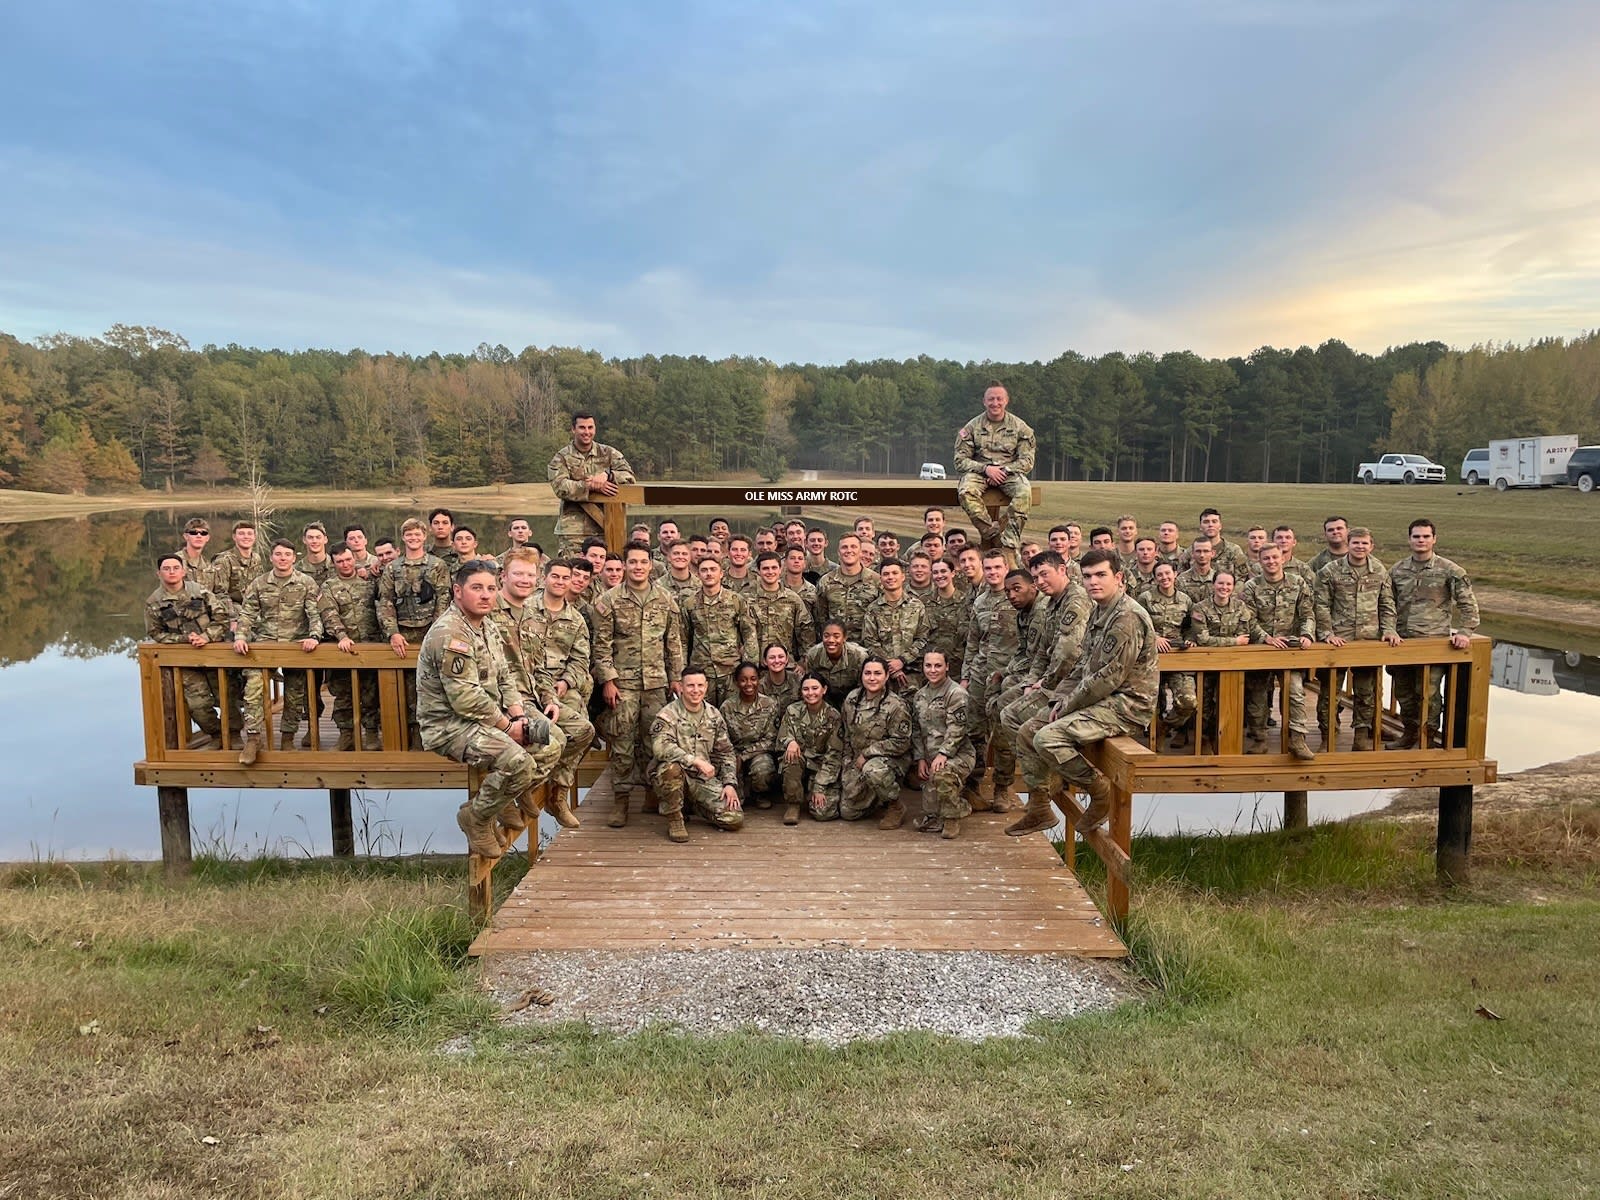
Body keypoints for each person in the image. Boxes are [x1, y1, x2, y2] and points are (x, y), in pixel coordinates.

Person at [416, 560, 563, 859]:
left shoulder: (487, 626)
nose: (486, 595)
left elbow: (506, 676)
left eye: (491, 589)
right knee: (517, 761)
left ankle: (506, 795)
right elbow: (465, 699)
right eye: (476, 588)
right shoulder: (450, 634)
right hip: (450, 726)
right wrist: (508, 728)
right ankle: (477, 817)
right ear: (458, 592)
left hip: (486, 718)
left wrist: (518, 715)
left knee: (551, 744)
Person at [1010, 548, 1159, 835]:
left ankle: (1099, 791)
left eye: (1101, 575)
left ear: (1118, 578)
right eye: (1088, 576)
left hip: (1126, 704)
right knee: (1029, 729)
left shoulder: (1126, 617)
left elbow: (1106, 679)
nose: (1093, 582)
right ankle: (1040, 809)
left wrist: (1066, 707)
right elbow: (1082, 666)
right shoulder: (1101, 610)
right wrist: (1057, 699)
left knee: (1048, 738)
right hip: (1099, 699)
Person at [490, 548, 592, 827]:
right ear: (545, 579)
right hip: (505, 699)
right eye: (554, 576)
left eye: (528, 575)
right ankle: (517, 789)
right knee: (553, 739)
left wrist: (557, 690)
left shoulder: (569, 619)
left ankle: (557, 794)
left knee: (583, 731)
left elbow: (567, 662)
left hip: (543, 690)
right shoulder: (503, 610)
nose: (560, 582)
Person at [592, 542, 685, 827]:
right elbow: (601, 645)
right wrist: (608, 680)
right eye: (632, 562)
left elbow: (673, 642)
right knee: (622, 743)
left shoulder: (666, 599)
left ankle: (651, 794)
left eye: (643, 562)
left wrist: (676, 677)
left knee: (654, 740)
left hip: (657, 683)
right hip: (624, 683)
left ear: (651, 565)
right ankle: (620, 800)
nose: (638, 567)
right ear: (625, 566)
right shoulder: (609, 600)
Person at [1387, 519, 1480, 749]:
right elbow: (1385, 603)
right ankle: (1409, 734)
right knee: (1404, 692)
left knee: (1428, 694)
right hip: (1401, 642)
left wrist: (1465, 632)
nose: (1421, 540)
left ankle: (1427, 738)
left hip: (1432, 643)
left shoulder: (1450, 570)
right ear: (1409, 539)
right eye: (1416, 536)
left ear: (1434, 539)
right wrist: (1387, 629)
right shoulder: (1397, 570)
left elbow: (1468, 605)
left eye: (1426, 536)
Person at [233, 539, 323, 763]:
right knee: (253, 686)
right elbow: (247, 614)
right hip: (266, 643)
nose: (283, 558)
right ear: (271, 557)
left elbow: (314, 614)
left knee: (295, 693)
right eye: (278, 554)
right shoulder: (259, 583)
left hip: (297, 644)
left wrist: (314, 637)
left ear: (294, 558)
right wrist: (241, 636)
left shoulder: (306, 582)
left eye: (287, 554)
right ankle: (253, 739)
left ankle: (288, 738)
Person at [1314, 526, 1399, 751]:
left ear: (1371, 545)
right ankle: (1328, 736)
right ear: (1348, 544)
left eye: (1364, 543)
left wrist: (1389, 629)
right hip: (1338, 640)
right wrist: (1326, 633)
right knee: (1329, 692)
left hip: (1368, 640)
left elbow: (1387, 603)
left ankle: (1361, 736)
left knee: (1366, 693)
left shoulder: (1380, 571)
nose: (1360, 547)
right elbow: (1321, 605)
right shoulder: (1330, 571)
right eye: (1355, 543)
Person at [376, 517, 452, 748]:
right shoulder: (393, 568)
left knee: (433, 686)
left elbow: (444, 598)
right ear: (403, 538)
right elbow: (385, 601)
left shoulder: (437, 565)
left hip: (430, 633)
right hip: (404, 636)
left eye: (417, 534)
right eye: (409, 535)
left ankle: (435, 736)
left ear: (424, 536)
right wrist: (393, 633)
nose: (413, 538)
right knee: (406, 688)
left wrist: (436, 631)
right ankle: (410, 737)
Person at [1239, 544, 1317, 760]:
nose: (1271, 561)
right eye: (1266, 558)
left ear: (1283, 558)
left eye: (1275, 557)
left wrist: (1307, 635)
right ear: (1260, 561)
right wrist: (1266, 638)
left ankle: (1297, 738)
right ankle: (1259, 738)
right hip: (1262, 648)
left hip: (1289, 650)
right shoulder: (1251, 587)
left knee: (1295, 691)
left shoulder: (1298, 583)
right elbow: (1248, 619)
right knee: (1257, 695)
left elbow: (1307, 613)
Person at [647, 668, 742, 842]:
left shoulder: (714, 715)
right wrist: (694, 761)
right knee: (670, 769)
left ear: (706, 687)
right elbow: (661, 748)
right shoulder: (667, 715)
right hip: (675, 774)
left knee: (733, 818)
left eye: (700, 685)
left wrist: (729, 783)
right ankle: (675, 817)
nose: (695, 690)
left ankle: (694, 805)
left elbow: (726, 752)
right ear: (681, 687)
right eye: (690, 685)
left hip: (701, 779)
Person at [145, 552, 230, 747]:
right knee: (198, 705)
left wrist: (206, 637)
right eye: (166, 569)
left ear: (183, 571)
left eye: (175, 568)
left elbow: (222, 617)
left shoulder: (200, 591)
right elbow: (156, 634)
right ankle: (217, 736)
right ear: (159, 573)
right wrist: (183, 640)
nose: (171, 572)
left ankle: (233, 736)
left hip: (214, 654)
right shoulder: (154, 602)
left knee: (227, 696)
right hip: (185, 660)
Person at [959, 550, 1021, 811]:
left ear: (1006, 568)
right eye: (989, 568)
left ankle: (1002, 788)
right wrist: (965, 675)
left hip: (1008, 677)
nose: (993, 572)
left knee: (1004, 736)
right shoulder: (980, 601)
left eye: (998, 567)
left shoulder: (1019, 599)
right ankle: (972, 784)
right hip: (979, 675)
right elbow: (972, 641)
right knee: (974, 732)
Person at [954, 381, 1035, 553]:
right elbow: (960, 460)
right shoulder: (971, 427)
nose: (995, 403)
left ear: (1006, 401)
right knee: (965, 491)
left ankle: (1009, 543)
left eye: (999, 399)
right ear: (984, 401)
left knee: (1025, 492)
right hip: (980, 472)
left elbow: (1027, 461)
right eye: (991, 399)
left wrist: (1004, 470)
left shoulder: (1021, 428)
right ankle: (991, 534)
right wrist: (986, 469)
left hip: (1009, 472)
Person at [318, 541, 383, 751]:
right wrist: (341, 636)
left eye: (347, 559)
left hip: (371, 646)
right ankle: (347, 735)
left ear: (354, 558)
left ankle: (372, 734)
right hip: (344, 648)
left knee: (371, 694)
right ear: (333, 563)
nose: (345, 564)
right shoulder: (329, 586)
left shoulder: (369, 582)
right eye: (339, 561)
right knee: (343, 696)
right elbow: (329, 614)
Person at [836, 657, 913, 827]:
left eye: (877, 673)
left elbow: (901, 743)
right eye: (868, 673)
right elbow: (846, 734)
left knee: (873, 771)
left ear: (886, 677)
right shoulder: (852, 699)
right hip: (857, 759)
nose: (872, 678)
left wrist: (868, 753)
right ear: (861, 676)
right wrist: (847, 763)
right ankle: (876, 797)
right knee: (848, 812)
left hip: (890, 759)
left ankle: (894, 805)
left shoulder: (896, 706)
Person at [547, 412, 637, 555]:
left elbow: (629, 477)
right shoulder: (562, 457)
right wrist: (589, 485)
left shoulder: (608, 453)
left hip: (607, 527)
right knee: (573, 572)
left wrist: (608, 475)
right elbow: (560, 486)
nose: (587, 432)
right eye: (582, 428)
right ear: (573, 429)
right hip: (573, 531)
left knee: (608, 570)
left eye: (590, 427)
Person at [910, 648, 975, 839]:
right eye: (928, 665)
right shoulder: (919, 696)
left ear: (947, 667)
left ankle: (953, 818)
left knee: (943, 775)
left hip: (958, 755)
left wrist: (944, 754)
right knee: (930, 811)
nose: (932, 670)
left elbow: (958, 729)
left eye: (938, 665)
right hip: (931, 756)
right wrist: (920, 758)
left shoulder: (956, 693)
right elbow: (916, 731)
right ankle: (948, 809)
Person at [681, 555, 758, 707]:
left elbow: (749, 635)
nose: (708, 573)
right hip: (701, 673)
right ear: (698, 574)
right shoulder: (689, 603)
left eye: (713, 569)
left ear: (721, 573)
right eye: (704, 570)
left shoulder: (736, 600)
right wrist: (683, 671)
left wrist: (749, 668)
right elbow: (683, 639)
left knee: (732, 715)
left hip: (731, 671)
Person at [1138, 561, 1196, 748]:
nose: (1164, 577)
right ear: (1155, 578)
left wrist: (1189, 639)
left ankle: (1166, 726)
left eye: (1167, 573)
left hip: (1177, 658)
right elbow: (1137, 625)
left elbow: (1190, 628)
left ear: (1175, 574)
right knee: (1152, 705)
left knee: (1188, 701)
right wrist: (1154, 638)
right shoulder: (1145, 598)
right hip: (1151, 659)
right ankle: (1154, 744)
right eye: (1160, 575)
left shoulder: (1186, 600)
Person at [779, 674, 843, 824]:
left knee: (823, 813)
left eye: (815, 688)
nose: (810, 693)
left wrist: (820, 786)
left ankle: (812, 791)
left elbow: (834, 755)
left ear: (824, 690)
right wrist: (790, 741)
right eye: (806, 689)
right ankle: (793, 804)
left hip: (821, 767)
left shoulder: (833, 716)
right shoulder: (793, 710)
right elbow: (783, 735)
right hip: (800, 763)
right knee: (790, 757)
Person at [861, 560, 930, 692]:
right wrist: (890, 666)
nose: (890, 577)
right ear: (880, 578)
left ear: (903, 576)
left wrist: (902, 660)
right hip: (881, 675)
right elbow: (870, 641)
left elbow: (923, 639)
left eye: (894, 573)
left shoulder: (917, 606)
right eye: (886, 574)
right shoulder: (873, 609)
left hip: (912, 672)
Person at [721, 662, 782, 808]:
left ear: (759, 680)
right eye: (743, 680)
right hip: (733, 752)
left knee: (764, 770)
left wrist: (744, 756)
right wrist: (734, 757)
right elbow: (723, 739)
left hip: (758, 752)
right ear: (736, 682)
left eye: (753, 679)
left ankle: (759, 794)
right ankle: (740, 790)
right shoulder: (727, 707)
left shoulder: (770, 704)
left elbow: (771, 739)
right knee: (735, 803)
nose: (749, 683)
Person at [747, 550, 815, 663]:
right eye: (765, 568)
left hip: (786, 664)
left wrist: (804, 662)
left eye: (774, 568)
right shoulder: (747, 599)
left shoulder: (792, 599)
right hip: (756, 665)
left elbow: (806, 630)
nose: (770, 572)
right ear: (758, 571)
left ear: (780, 569)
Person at [815, 533, 882, 643]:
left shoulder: (876, 581)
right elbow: (820, 619)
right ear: (838, 552)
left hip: (866, 648)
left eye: (853, 547)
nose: (849, 550)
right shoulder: (826, 582)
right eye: (844, 547)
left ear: (860, 552)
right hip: (835, 647)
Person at [804, 620, 870, 709]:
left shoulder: (859, 656)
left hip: (854, 699)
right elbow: (811, 683)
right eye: (826, 636)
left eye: (836, 636)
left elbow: (864, 688)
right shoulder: (813, 655)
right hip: (824, 699)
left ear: (845, 638)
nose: (831, 640)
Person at [758, 642, 802, 713]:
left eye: (781, 657)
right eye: (772, 657)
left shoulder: (798, 681)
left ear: (787, 659)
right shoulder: (760, 687)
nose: (777, 661)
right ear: (765, 661)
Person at [1175, 537, 1218, 604]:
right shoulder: (1181, 580)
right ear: (1192, 553)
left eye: (1206, 551)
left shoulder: (1219, 579)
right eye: (1198, 551)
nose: (1202, 555)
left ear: (1213, 553)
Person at [177, 517, 212, 585]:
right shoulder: (175, 562)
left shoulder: (209, 567)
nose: (199, 536)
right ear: (186, 536)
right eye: (193, 533)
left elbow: (218, 592)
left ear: (207, 538)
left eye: (203, 533)